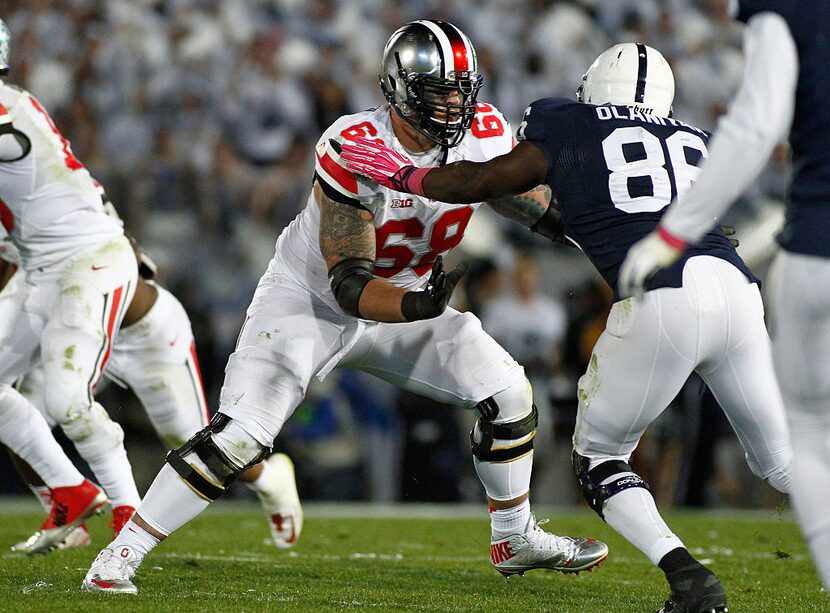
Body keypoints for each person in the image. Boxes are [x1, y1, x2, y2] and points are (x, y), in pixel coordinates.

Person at [82, 20, 608, 594]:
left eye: (463, 87)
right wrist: (415, 304)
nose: (456, 102)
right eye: (440, 89)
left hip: (410, 298)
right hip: (312, 302)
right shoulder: (355, 145)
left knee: (509, 392)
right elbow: (349, 285)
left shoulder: (482, 131)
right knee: (238, 438)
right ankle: (121, 554)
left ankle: (514, 535)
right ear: (400, 88)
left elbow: (518, 198)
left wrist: (599, 236)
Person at [340, 42, 793, 613]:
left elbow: (486, 182)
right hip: (737, 288)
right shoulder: (693, 140)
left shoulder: (569, 121)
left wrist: (405, 176)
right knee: (779, 461)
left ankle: (691, 583)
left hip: (665, 297)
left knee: (600, 456)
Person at [617, 1, 830, 591]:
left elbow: (756, 126)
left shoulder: (791, 12)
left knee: (811, 446)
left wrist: (672, 233)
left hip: (819, 247)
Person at [1, 224, 302, 553]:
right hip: (71, 329)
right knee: (23, 411)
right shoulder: (23, 215)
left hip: (141, 334)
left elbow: (124, 253)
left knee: (191, 440)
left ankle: (269, 481)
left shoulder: (57, 208)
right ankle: (65, 513)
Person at [0, 18, 142, 554]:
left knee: (67, 401)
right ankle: (71, 490)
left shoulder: (6, 111)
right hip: (44, 268)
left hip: (89, 261)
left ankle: (131, 513)